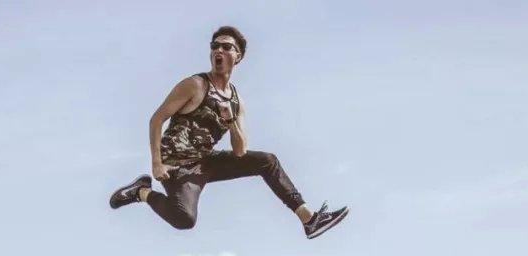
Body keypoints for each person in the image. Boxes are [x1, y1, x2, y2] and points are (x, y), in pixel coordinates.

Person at [109, 25, 349, 240]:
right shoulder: (195, 84)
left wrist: (230, 120)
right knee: (184, 220)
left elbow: (240, 150)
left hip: (205, 161)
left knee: (267, 161)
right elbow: (156, 119)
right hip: (176, 165)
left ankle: (309, 218)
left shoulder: (236, 101)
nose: (218, 51)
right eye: (215, 47)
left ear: (238, 56)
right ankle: (141, 191)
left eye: (226, 47)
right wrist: (156, 164)